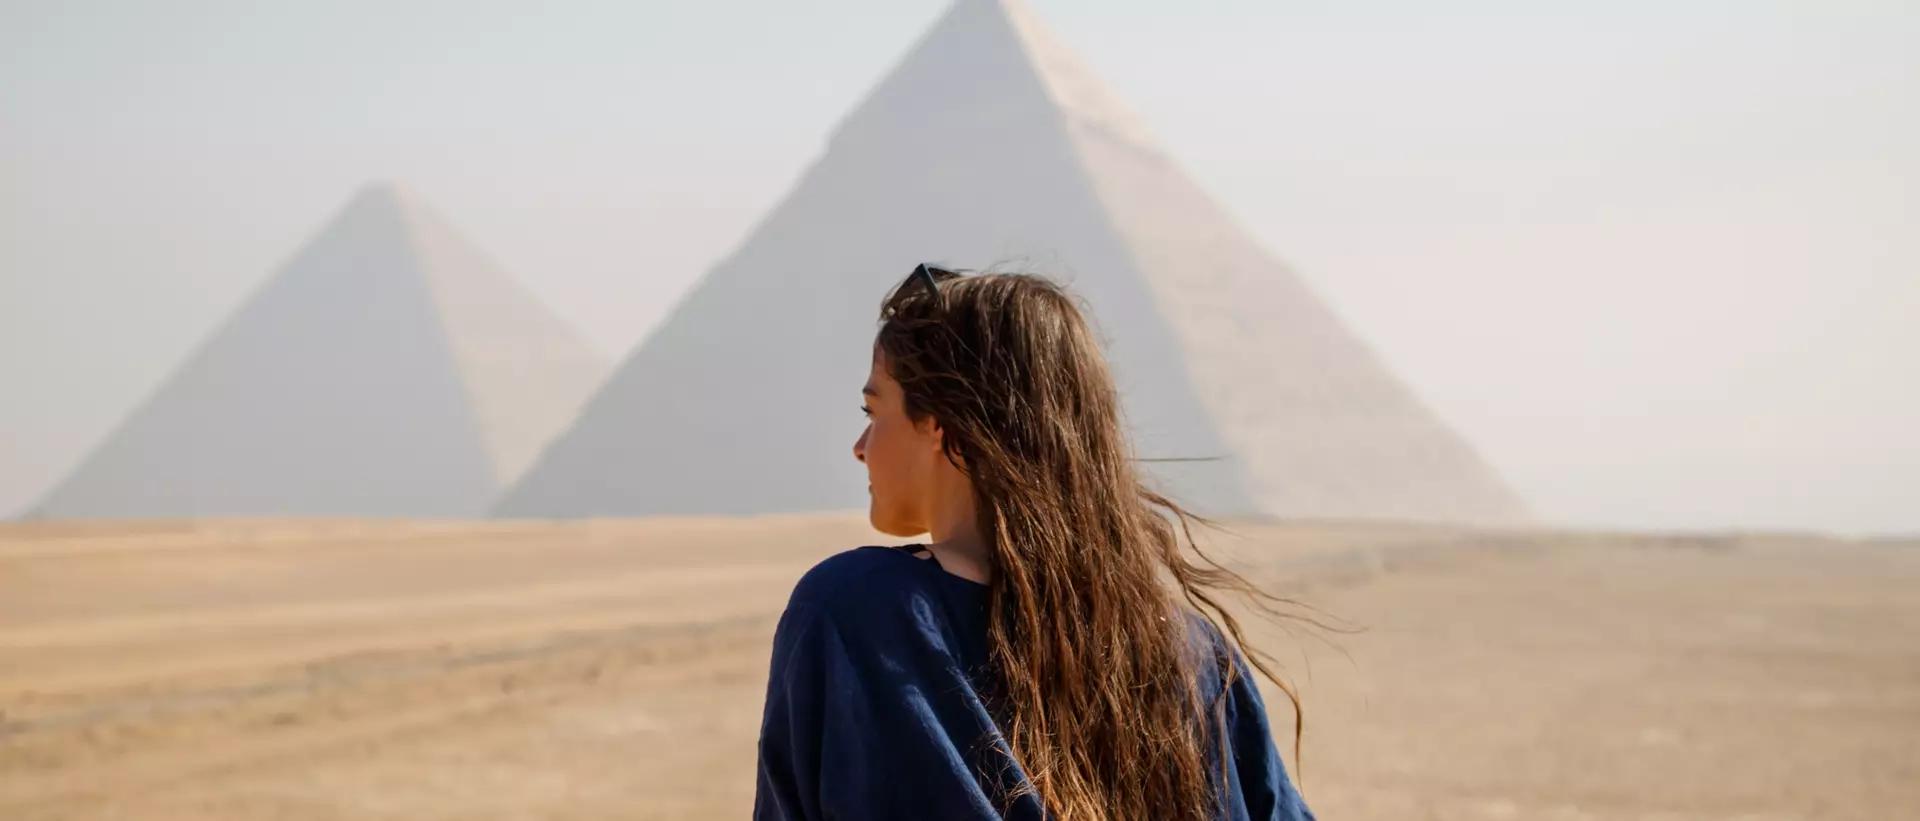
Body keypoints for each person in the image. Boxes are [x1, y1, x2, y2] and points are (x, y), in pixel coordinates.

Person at [753, 265, 1316, 821]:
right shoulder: (1193, 654)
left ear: (940, 422)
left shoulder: (857, 613)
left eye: (873, 411)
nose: (860, 446)